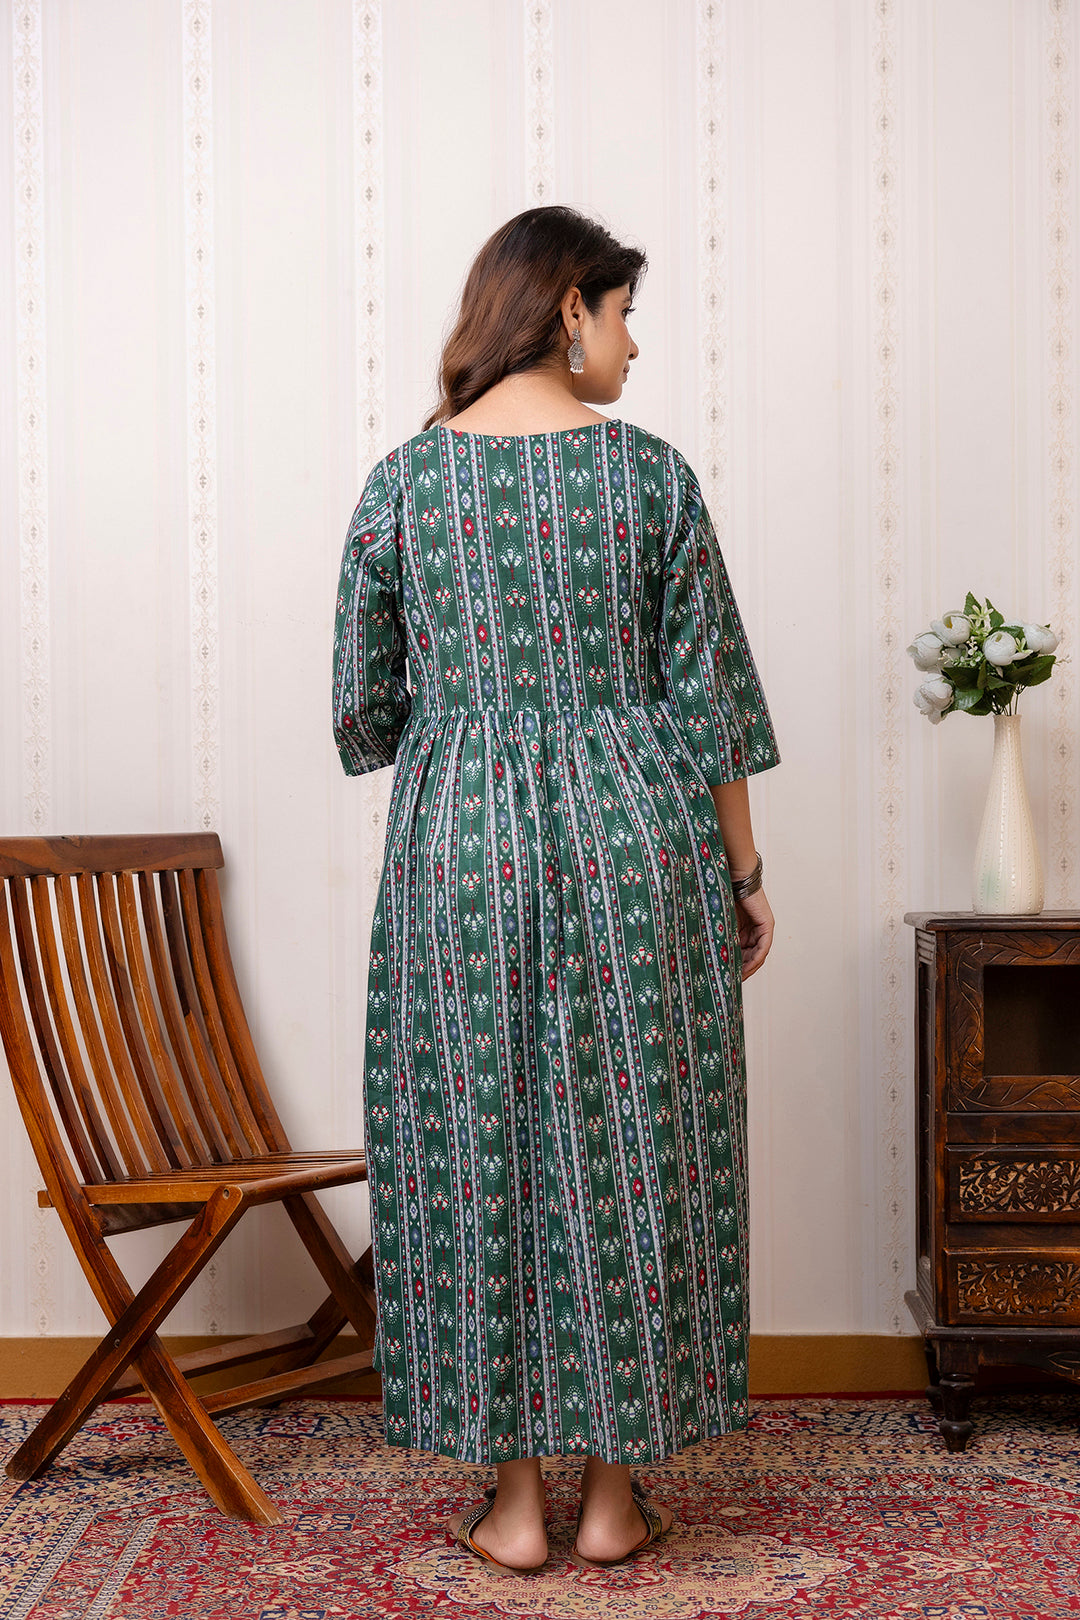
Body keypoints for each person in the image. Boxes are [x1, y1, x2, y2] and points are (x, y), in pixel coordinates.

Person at [332, 204, 781, 1576]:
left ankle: (515, 1502)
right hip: (638, 839)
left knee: (473, 1141)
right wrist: (745, 875)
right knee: (637, 1139)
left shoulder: (403, 484)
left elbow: (365, 711)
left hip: (460, 847)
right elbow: (710, 707)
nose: (635, 346)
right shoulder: (651, 479)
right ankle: (614, 1499)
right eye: (626, 314)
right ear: (569, 307)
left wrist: (477, 723)